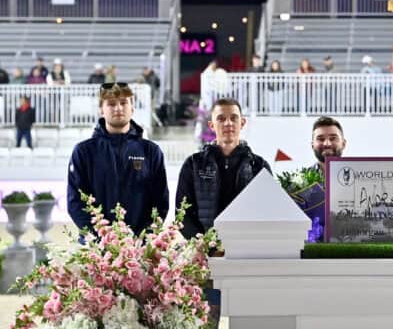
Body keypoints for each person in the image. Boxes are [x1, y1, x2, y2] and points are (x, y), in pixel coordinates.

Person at [67, 83, 169, 236]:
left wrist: (142, 237)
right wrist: (100, 236)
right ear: (101, 109)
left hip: (139, 247)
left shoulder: (151, 151)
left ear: (132, 107)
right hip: (96, 248)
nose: (118, 108)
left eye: (123, 102)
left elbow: (160, 202)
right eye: (111, 104)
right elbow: (76, 202)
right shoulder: (83, 151)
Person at [175, 97, 271, 239]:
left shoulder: (259, 166)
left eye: (234, 118)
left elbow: (268, 211)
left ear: (242, 122)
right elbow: (182, 214)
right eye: (221, 118)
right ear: (211, 125)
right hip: (205, 253)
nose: (228, 123)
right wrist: (204, 244)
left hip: (246, 251)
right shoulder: (193, 164)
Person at [289, 116, 347, 242]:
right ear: (312, 145)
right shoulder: (298, 183)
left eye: (333, 138)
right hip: (312, 254)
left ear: (343, 143)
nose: (327, 143)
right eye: (320, 139)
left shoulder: (360, 178)